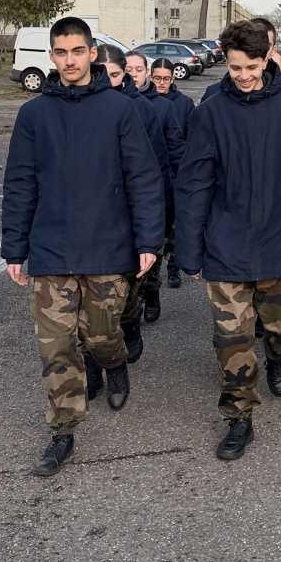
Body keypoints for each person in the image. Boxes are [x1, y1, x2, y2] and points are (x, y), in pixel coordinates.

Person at [1, 17, 164, 477]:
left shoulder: (119, 110)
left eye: (77, 51)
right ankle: (63, 429)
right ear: (51, 57)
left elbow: (144, 178)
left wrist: (149, 239)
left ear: (92, 53)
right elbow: (20, 184)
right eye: (61, 52)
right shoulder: (34, 115)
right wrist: (14, 249)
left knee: (99, 336)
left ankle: (114, 365)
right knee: (56, 345)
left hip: (107, 247)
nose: (69, 60)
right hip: (51, 249)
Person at [175, 19, 281, 462]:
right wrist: (188, 250)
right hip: (225, 242)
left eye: (251, 66)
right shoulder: (210, 111)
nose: (243, 75)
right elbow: (194, 184)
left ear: (268, 60)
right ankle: (239, 416)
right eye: (235, 67)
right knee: (232, 337)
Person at [98, 43, 181, 342]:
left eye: (118, 74)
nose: (111, 81)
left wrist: (164, 202)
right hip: (103, 206)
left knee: (138, 267)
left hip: (138, 200)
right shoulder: (89, 106)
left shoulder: (145, 108)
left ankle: (143, 301)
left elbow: (160, 161)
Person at [148, 56, 194, 288]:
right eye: (157, 78)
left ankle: (174, 266)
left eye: (166, 78)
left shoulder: (184, 103)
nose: (162, 82)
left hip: (177, 170)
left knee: (176, 224)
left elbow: (190, 136)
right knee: (158, 225)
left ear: (173, 78)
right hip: (154, 170)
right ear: (150, 76)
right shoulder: (145, 102)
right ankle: (152, 272)